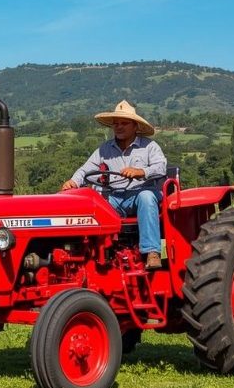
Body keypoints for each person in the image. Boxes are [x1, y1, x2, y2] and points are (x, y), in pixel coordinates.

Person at [61, 100, 167, 269]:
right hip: (114, 197)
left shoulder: (149, 147)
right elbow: (85, 169)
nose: (119, 127)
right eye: (116, 124)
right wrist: (73, 181)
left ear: (135, 126)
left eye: (124, 123)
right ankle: (91, 255)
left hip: (139, 194)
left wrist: (141, 171)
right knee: (90, 203)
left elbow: (161, 167)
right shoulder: (104, 149)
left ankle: (152, 252)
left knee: (146, 197)